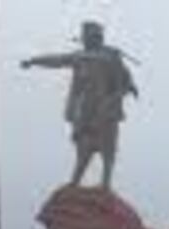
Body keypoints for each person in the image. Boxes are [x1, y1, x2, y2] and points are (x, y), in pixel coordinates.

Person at [21, 21, 139, 190]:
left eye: (90, 37)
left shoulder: (111, 57)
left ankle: (105, 183)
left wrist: (126, 89)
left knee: (108, 147)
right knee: (84, 146)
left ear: (97, 38)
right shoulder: (79, 56)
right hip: (84, 108)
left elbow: (124, 78)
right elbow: (56, 60)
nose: (87, 41)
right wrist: (34, 61)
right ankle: (76, 181)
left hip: (105, 109)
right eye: (86, 37)